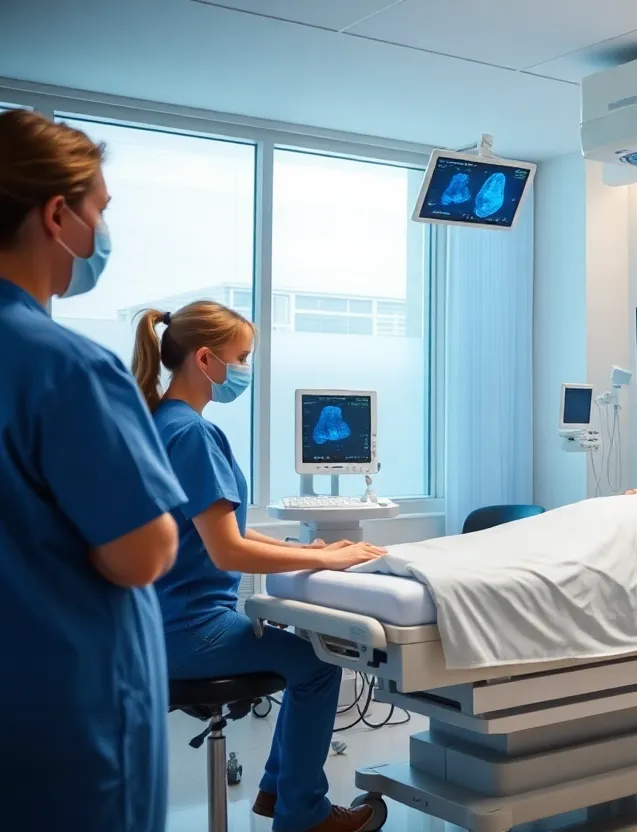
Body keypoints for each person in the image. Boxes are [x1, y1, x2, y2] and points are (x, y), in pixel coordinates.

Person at [130, 300, 387, 832]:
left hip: (158, 624)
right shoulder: (194, 435)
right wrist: (331, 556)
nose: (245, 368)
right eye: (241, 357)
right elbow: (227, 552)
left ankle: (278, 793)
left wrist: (313, 553)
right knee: (318, 665)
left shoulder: (161, 422)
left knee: (301, 649)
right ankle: (302, 813)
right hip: (191, 628)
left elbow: (215, 532)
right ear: (205, 359)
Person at [0, 110, 188, 831]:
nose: (103, 232)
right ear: (57, 214)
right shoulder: (66, 367)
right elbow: (143, 553)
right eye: (99, 210)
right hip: (64, 722)